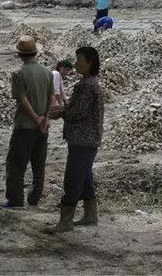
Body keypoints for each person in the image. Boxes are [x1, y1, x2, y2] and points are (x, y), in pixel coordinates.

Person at [45, 46, 104, 233]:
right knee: (85, 176)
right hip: (89, 138)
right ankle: (90, 215)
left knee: (73, 178)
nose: (76, 64)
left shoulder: (86, 86)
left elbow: (78, 112)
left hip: (82, 139)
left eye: (79, 60)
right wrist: (64, 110)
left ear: (89, 63)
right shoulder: (91, 82)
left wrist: (60, 112)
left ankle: (65, 221)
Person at [3, 35, 54, 208]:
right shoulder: (47, 73)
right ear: (35, 53)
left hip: (25, 126)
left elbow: (22, 100)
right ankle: (34, 199)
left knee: (16, 164)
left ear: (19, 55)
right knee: (38, 164)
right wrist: (45, 118)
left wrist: (35, 117)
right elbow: (52, 98)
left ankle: (15, 200)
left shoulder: (18, 74)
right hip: (42, 128)